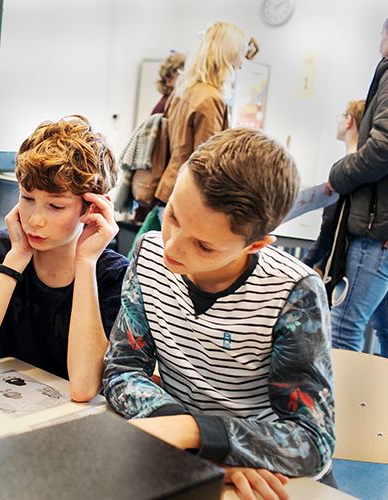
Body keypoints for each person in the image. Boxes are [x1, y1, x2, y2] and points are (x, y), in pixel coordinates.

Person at [103, 129, 335, 499]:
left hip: (269, 479)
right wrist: (186, 437)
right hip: (185, 460)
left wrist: (198, 433)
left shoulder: (294, 291)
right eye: (174, 216)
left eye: (204, 245)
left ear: (256, 244)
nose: (172, 247)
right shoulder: (148, 253)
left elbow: (312, 443)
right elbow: (122, 369)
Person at [0, 116, 128, 402]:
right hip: (12, 403)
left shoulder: (112, 273)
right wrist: (17, 257)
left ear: (92, 206)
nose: (35, 220)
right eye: (27, 198)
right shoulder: (0, 249)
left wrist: (85, 264)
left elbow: (83, 387)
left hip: (73, 417)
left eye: (56, 206)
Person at [328, 18, 388, 357]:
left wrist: (338, 175)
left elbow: (382, 149)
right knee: (384, 329)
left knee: (344, 325)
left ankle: (345, 411)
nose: (379, 38)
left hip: (375, 231)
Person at [155, 22, 249, 204]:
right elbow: (207, 164)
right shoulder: (211, 99)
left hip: (170, 187)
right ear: (228, 54)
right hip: (189, 196)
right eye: (240, 54)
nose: (242, 62)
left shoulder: (184, 91)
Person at [302, 99, 365, 272]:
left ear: (350, 120)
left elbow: (330, 225)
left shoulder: (345, 169)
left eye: (343, 116)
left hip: (337, 262)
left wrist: (306, 264)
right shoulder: (364, 168)